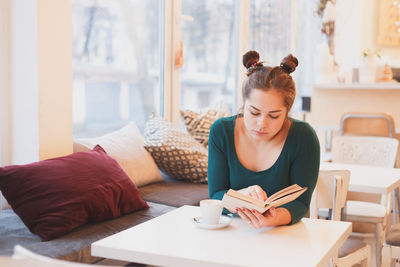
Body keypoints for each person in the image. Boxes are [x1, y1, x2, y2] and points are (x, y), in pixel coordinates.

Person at [208, 51, 320, 228]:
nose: (261, 124)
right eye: (254, 112)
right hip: (232, 232)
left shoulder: (303, 137)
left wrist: (274, 218)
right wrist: (241, 196)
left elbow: (301, 204)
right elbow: (215, 195)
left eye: (274, 116)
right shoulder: (221, 131)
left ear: (287, 111)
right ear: (244, 102)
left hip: (280, 233)